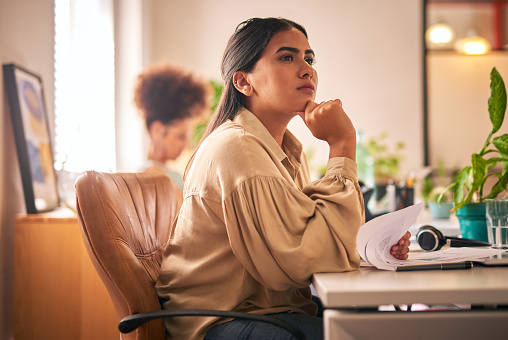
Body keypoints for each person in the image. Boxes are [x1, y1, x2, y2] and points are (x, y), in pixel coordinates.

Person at [156, 17, 411, 340]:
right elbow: (302, 262)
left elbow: (308, 235)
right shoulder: (239, 149)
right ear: (244, 82)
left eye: (309, 58)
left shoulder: (282, 149)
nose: (307, 70)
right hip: (219, 322)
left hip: (264, 311)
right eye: (287, 57)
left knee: (378, 324)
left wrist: (371, 245)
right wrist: (342, 143)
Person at [133, 63, 210, 198]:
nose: (185, 145)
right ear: (157, 131)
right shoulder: (155, 174)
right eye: (181, 136)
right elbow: (186, 218)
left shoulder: (160, 172)